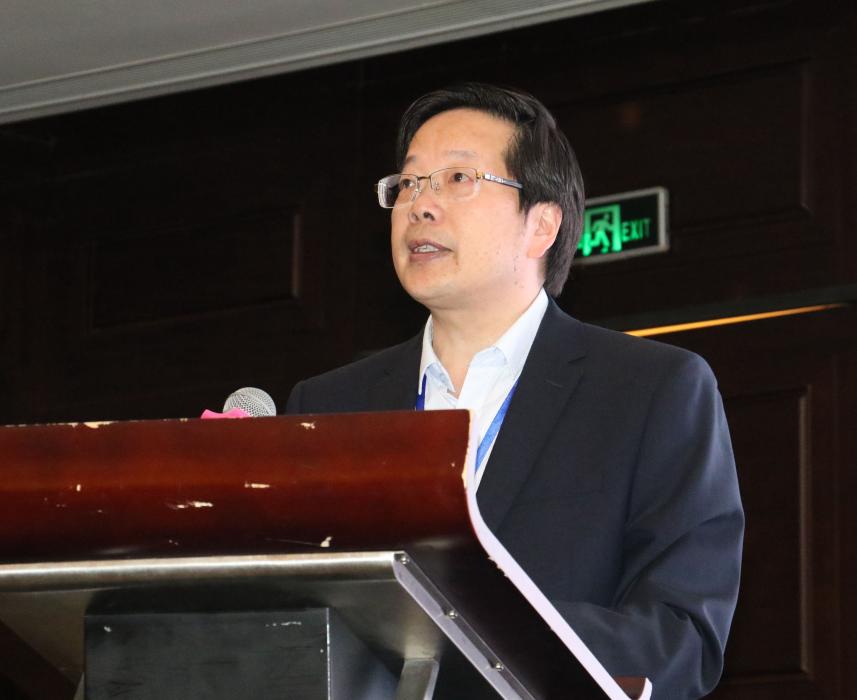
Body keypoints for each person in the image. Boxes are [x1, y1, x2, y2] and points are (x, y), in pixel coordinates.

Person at [286, 83, 743, 699]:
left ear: (541, 225)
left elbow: (680, 638)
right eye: (409, 183)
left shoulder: (649, 390)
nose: (421, 205)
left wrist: (469, 626)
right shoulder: (329, 408)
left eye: (457, 179)